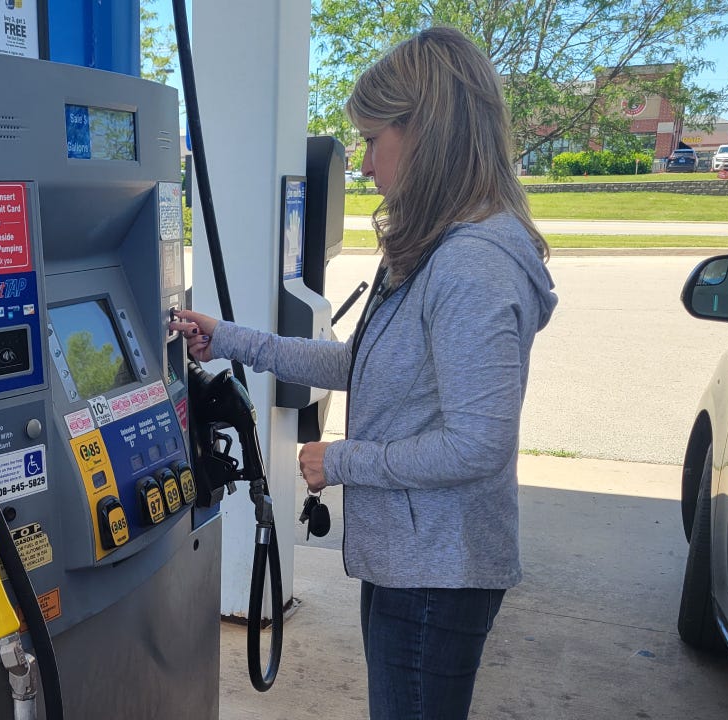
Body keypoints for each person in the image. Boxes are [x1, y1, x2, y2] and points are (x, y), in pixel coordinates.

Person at [170, 26, 557, 720]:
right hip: (411, 556)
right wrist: (232, 339)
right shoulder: (436, 247)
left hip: (440, 570)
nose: (368, 166)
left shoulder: (473, 266)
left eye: (375, 140)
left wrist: (345, 460)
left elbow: (479, 443)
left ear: (428, 133)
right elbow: (366, 360)